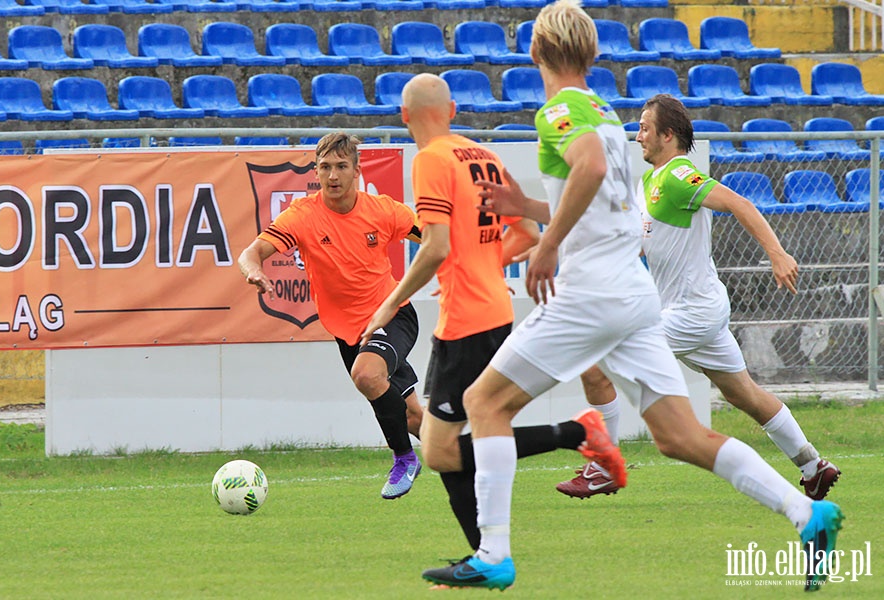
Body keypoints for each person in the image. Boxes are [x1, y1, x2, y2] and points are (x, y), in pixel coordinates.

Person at [420, 0, 843, 592]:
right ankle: (807, 513)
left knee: (484, 405)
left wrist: (546, 246)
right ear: (591, 55)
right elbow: (597, 192)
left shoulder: (560, 109)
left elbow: (587, 168)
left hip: (591, 292)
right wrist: (529, 210)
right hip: (635, 294)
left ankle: (493, 554)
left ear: (537, 53)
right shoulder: (603, 111)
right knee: (680, 437)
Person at [361, 72, 614, 554]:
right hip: (492, 309)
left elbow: (433, 248)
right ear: (453, 112)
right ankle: (485, 553)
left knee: (444, 448)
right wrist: (476, 263)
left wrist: (391, 302)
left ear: (404, 117)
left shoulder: (431, 159)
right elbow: (528, 235)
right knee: (445, 445)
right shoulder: (484, 155)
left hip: (467, 320)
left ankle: (579, 434)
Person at [555, 94, 841, 502]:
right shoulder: (649, 182)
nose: (637, 136)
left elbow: (738, 203)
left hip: (692, 311)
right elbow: (641, 242)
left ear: (667, 135)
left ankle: (604, 467)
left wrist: (777, 254)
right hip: (692, 308)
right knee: (743, 394)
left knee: (597, 365)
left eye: (644, 128)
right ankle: (813, 465)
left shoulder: (678, 175)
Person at [238, 132, 424, 500]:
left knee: (367, 375)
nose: (333, 175)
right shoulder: (303, 216)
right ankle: (472, 457)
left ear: (357, 170)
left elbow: (439, 239)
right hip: (349, 332)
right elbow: (251, 252)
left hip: (392, 314)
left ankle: (404, 458)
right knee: (414, 418)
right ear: (316, 171)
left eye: (341, 166)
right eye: (325, 167)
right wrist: (253, 270)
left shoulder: (383, 210)